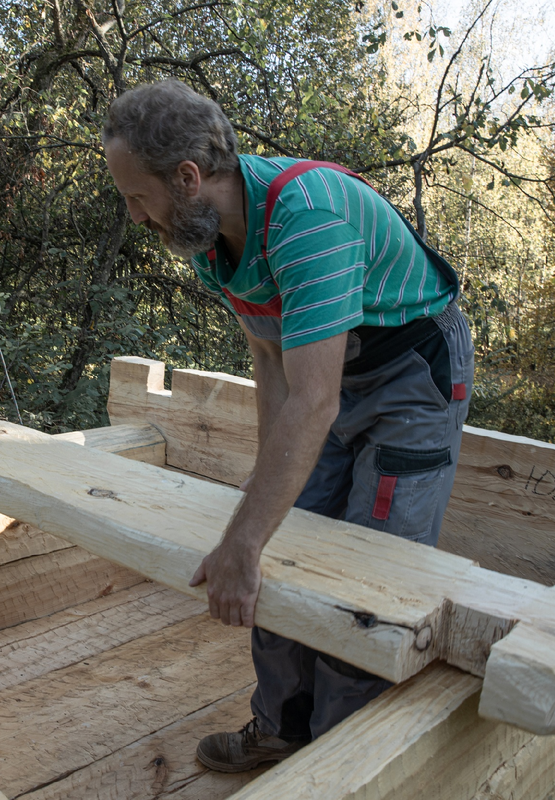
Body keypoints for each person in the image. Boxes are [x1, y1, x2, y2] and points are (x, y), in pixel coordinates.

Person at [102, 81, 474, 771]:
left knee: (365, 576)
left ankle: (338, 767)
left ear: (187, 179)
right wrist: (262, 499)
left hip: (410, 378)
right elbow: (270, 359)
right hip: (329, 379)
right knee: (284, 535)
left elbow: (314, 400)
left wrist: (240, 542)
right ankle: (280, 730)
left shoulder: (309, 221)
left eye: (136, 196)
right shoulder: (212, 238)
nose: (134, 214)